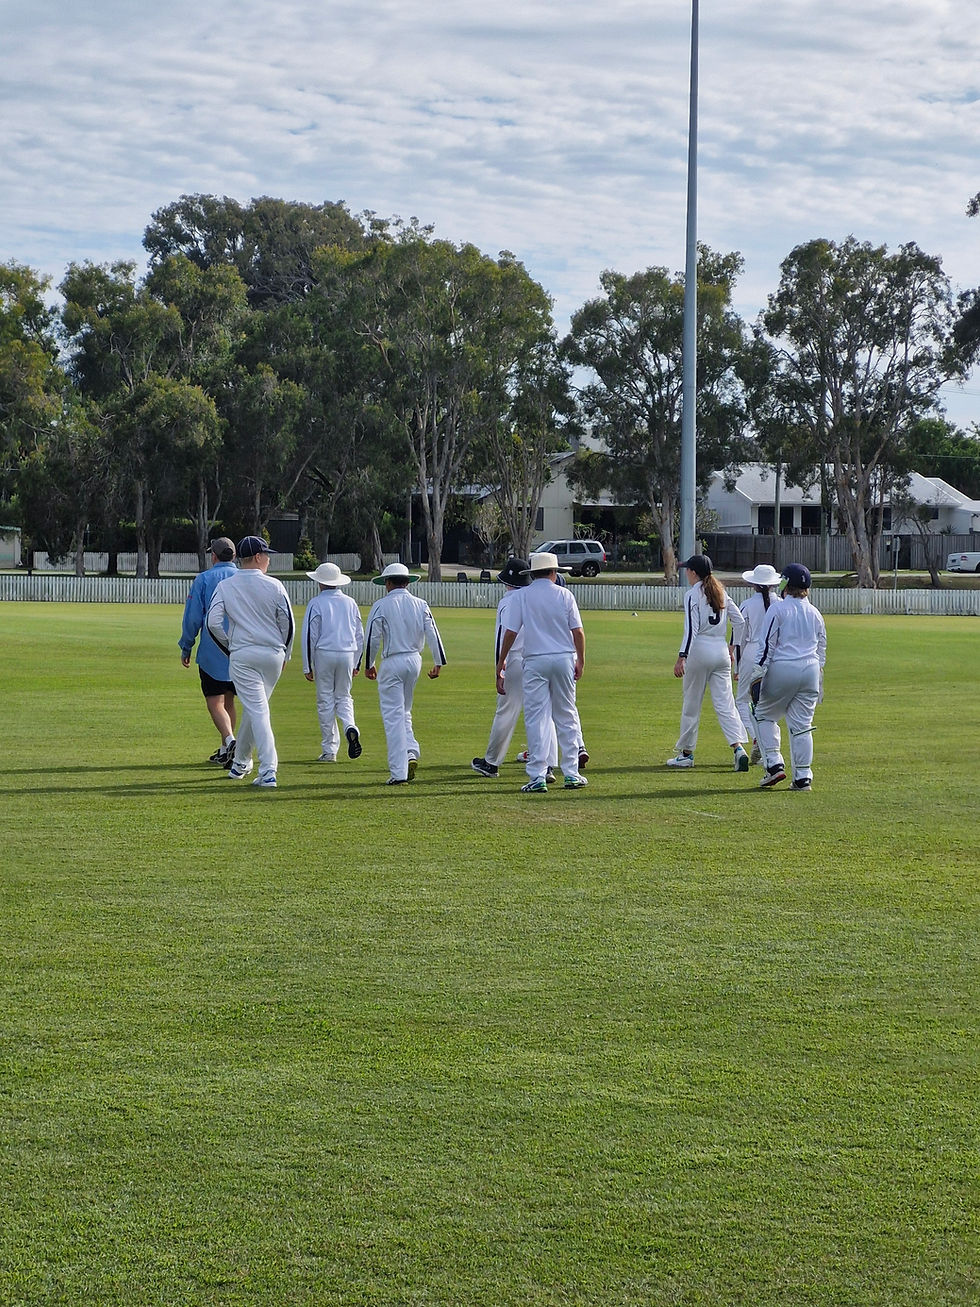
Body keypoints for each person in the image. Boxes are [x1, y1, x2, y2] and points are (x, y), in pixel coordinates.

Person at [207, 535, 294, 789]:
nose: (268, 559)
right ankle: (241, 763)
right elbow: (287, 623)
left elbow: (213, 622)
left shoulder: (226, 586)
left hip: (243, 655)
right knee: (257, 709)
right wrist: (285, 652)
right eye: (266, 555)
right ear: (257, 557)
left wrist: (231, 649)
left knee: (258, 710)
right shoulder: (275, 586)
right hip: (272, 656)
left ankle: (268, 769)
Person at [495, 551, 587, 793]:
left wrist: (501, 661)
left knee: (536, 718)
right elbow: (578, 632)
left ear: (532, 574)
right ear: (554, 573)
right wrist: (581, 661)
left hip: (535, 660)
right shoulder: (565, 595)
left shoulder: (522, 597)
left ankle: (537, 775)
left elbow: (511, 633)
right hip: (563, 659)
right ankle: (571, 773)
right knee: (565, 715)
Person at [472, 557, 557, 785]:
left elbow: (503, 635)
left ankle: (491, 762)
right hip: (539, 658)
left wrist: (499, 667)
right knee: (543, 713)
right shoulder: (536, 597)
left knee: (506, 712)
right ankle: (547, 765)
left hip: (515, 660)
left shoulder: (509, 600)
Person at [362, 562, 447, 785]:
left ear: (388, 583)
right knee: (405, 710)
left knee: (393, 716)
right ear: (407, 582)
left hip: (392, 661)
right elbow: (433, 632)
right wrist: (438, 662)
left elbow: (372, 637)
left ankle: (398, 772)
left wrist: (368, 664)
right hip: (414, 661)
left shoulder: (381, 605)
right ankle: (410, 751)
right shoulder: (421, 604)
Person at [666, 554, 749, 771]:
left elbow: (691, 629)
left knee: (692, 704)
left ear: (694, 572)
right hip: (721, 651)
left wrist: (681, 656)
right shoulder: (721, 591)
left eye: (687, 570)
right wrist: (731, 648)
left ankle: (686, 754)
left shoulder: (693, 594)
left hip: (700, 651)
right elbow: (739, 622)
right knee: (726, 704)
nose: (686, 573)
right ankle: (738, 749)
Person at [750, 562, 827, 791]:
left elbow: (766, 646)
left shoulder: (779, 609)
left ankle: (774, 764)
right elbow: (822, 648)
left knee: (763, 714)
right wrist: (819, 677)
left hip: (783, 668)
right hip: (811, 670)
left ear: (784, 583)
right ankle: (803, 776)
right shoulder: (815, 612)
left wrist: (757, 675)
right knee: (802, 725)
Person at [178, 537, 239, 765]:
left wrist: (187, 645)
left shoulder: (204, 579)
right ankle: (226, 750)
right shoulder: (242, 577)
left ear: (213, 555)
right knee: (230, 701)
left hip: (212, 650)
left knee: (215, 701)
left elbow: (193, 616)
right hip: (239, 649)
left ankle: (230, 740)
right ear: (233, 555)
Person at [301, 560, 364, 763]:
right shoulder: (350, 602)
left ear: (320, 582)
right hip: (347, 654)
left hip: (324, 654)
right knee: (344, 697)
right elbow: (359, 634)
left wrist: (307, 665)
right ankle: (349, 725)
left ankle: (329, 749)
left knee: (325, 700)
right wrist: (357, 662)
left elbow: (310, 635)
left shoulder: (316, 603)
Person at [734, 563, 782, 766]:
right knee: (768, 703)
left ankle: (756, 736)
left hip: (752, 652)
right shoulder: (780, 603)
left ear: (753, 584)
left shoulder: (746, 605)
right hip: (774, 655)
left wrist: (737, 667)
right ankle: (768, 744)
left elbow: (739, 639)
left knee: (742, 700)